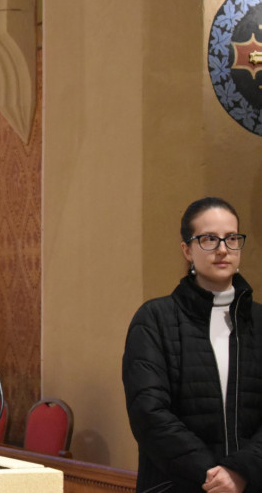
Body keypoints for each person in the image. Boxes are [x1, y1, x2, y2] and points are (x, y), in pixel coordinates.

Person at [122, 197, 262, 493]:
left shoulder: (259, 321)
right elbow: (148, 412)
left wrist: (242, 471)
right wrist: (213, 477)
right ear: (187, 250)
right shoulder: (155, 319)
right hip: (178, 484)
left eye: (231, 238)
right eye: (209, 239)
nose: (223, 249)